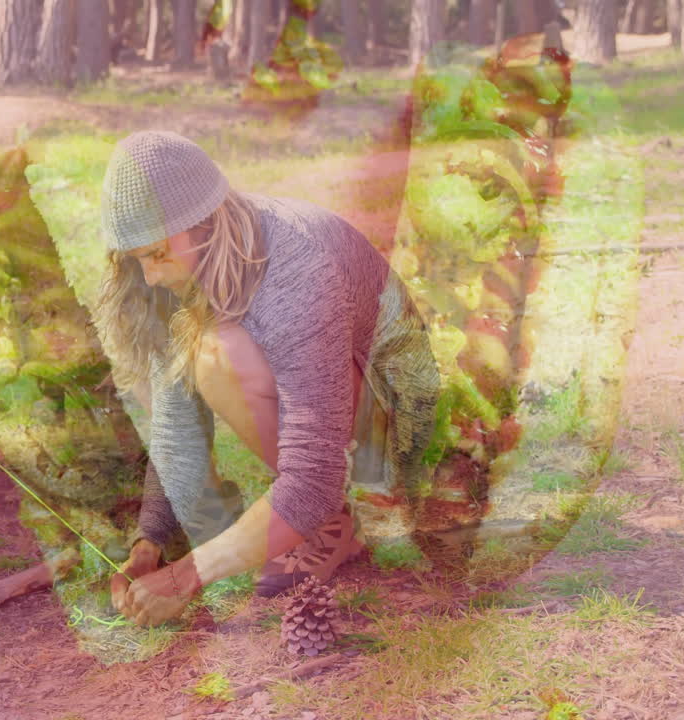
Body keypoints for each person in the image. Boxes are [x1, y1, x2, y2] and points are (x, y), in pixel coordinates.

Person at [98, 131, 439, 626]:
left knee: (222, 354)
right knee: (201, 349)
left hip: (398, 425)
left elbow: (312, 479)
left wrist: (187, 575)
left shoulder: (294, 273)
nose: (149, 276)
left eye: (155, 255)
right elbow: (177, 431)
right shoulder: (196, 261)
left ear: (203, 225)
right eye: (138, 260)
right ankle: (313, 521)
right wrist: (149, 544)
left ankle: (339, 520)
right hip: (341, 413)